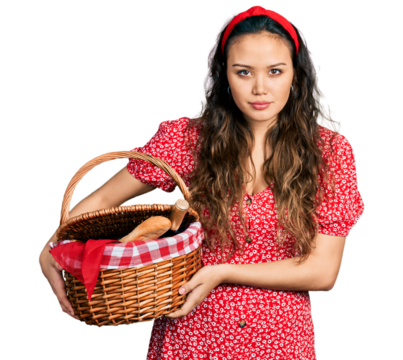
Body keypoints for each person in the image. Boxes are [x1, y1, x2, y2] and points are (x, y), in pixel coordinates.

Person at [38, 3, 365, 359]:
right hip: (190, 339)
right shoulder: (186, 140)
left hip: (281, 344)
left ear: (296, 76)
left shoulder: (330, 153)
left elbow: (322, 272)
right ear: (224, 75)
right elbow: (100, 203)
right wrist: (52, 246)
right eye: (243, 72)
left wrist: (222, 272)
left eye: (274, 71)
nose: (259, 88)